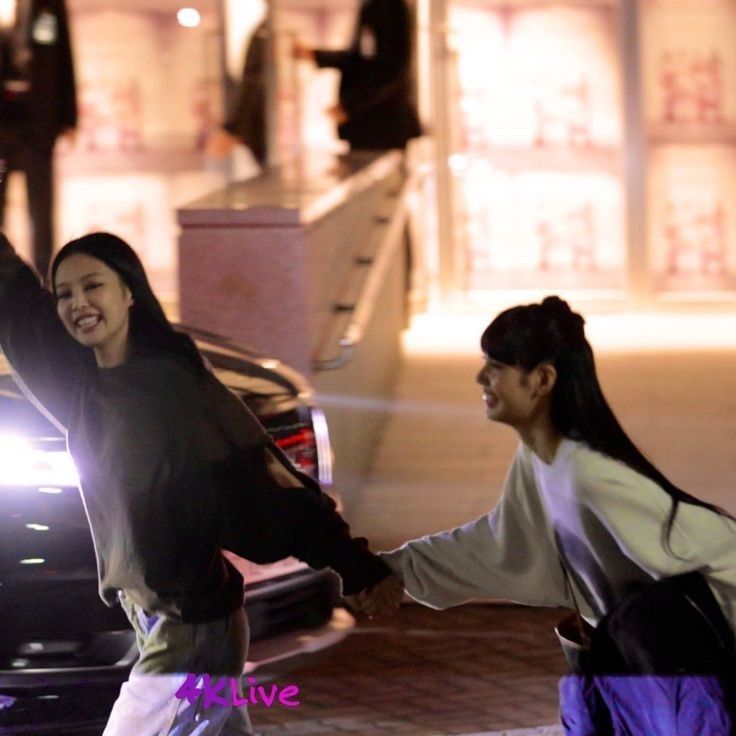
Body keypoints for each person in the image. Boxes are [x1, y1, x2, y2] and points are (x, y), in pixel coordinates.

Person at [0, 230, 402, 735]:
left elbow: (260, 484)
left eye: (93, 286)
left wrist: (356, 565)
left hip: (191, 631)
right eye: (64, 293)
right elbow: (13, 297)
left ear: (130, 292)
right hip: (156, 622)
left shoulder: (174, 387)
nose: (78, 303)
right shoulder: (84, 386)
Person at [359, 296, 736, 733]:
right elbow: (502, 542)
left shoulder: (592, 477)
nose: (481, 377)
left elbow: (716, 549)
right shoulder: (541, 462)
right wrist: (394, 570)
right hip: (641, 679)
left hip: (684, 688)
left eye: (496, 366)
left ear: (541, 379)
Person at [0, 0, 77, 279]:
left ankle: (46, 276)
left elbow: (64, 56)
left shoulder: (48, 4)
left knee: (41, 206)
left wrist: (69, 116)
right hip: (3, 123)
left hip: (37, 123)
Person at [293, 0, 421, 152]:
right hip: (372, 122)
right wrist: (315, 55)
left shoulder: (388, 6)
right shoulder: (374, 6)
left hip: (380, 123)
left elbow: (390, 69)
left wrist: (350, 105)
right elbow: (361, 58)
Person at [206, 20, 268, 167]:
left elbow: (252, 83)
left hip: (258, 128)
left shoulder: (265, 30)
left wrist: (232, 130)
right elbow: (251, 84)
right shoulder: (262, 30)